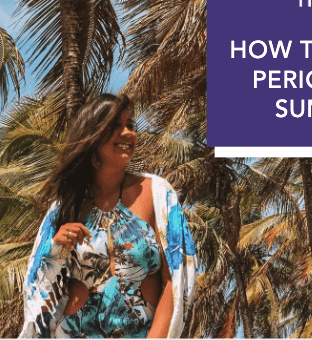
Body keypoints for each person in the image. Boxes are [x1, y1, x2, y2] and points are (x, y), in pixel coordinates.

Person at [19, 94, 198, 338]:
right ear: (92, 135)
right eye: (116, 126)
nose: (127, 133)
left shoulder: (157, 194)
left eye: (130, 125)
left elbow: (175, 282)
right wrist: (56, 248)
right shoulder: (66, 206)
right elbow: (37, 289)